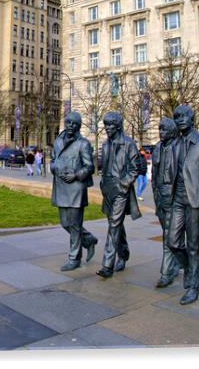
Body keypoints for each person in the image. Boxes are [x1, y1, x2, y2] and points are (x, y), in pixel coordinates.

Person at [167, 104, 199, 305]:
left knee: (194, 246)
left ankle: (193, 285)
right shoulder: (175, 144)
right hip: (178, 199)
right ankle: (189, 268)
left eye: (184, 116)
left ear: (192, 118)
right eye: (176, 116)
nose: (180, 119)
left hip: (196, 201)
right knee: (172, 241)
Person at [96, 111, 144, 278]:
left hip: (120, 190)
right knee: (116, 224)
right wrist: (103, 183)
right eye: (106, 125)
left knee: (114, 225)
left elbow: (135, 168)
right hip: (107, 189)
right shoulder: (105, 144)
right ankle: (123, 253)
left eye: (110, 125)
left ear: (118, 126)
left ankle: (107, 265)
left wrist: (123, 184)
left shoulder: (129, 144)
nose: (107, 128)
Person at [50, 112, 98, 271]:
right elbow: (53, 159)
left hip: (76, 188)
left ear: (79, 125)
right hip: (61, 187)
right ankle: (89, 240)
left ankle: (74, 258)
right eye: (68, 122)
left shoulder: (83, 143)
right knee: (65, 223)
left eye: (74, 123)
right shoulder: (58, 141)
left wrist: (76, 175)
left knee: (75, 225)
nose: (70, 125)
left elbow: (89, 166)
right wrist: (53, 167)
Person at [151, 118, 181, 287]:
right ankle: (181, 261)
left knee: (168, 235)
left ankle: (166, 272)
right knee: (170, 234)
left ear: (171, 131)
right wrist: (155, 194)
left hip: (174, 198)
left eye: (164, 130)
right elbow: (154, 175)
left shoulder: (179, 147)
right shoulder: (157, 148)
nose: (161, 133)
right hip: (160, 197)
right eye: (159, 129)